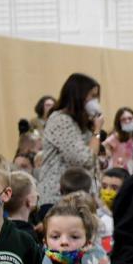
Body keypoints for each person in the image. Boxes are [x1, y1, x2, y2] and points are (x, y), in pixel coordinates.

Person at [37, 74, 103, 215]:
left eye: (97, 96)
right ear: (78, 95)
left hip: (80, 200)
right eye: (92, 96)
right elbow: (83, 160)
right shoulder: (61, 120)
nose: (95, 101)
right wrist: (97, 131)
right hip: (58, 200)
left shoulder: (81, 124)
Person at [97, 167, 129, 255]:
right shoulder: (94, 214)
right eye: (104, 186)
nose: (107, 192)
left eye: (114, 188)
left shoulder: (130, 217)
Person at [4, 171, 39, 244]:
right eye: (35, 191)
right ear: (30, 200)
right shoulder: (29, 236)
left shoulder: (1, 230)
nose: (37, 194)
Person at [103, 108, 133, 173]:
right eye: (123, 119)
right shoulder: (115, 137)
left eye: (130, 118)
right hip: (117, 172)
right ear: (119, 123)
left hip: (132, 171)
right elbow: (103, 148)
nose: (127, 121)